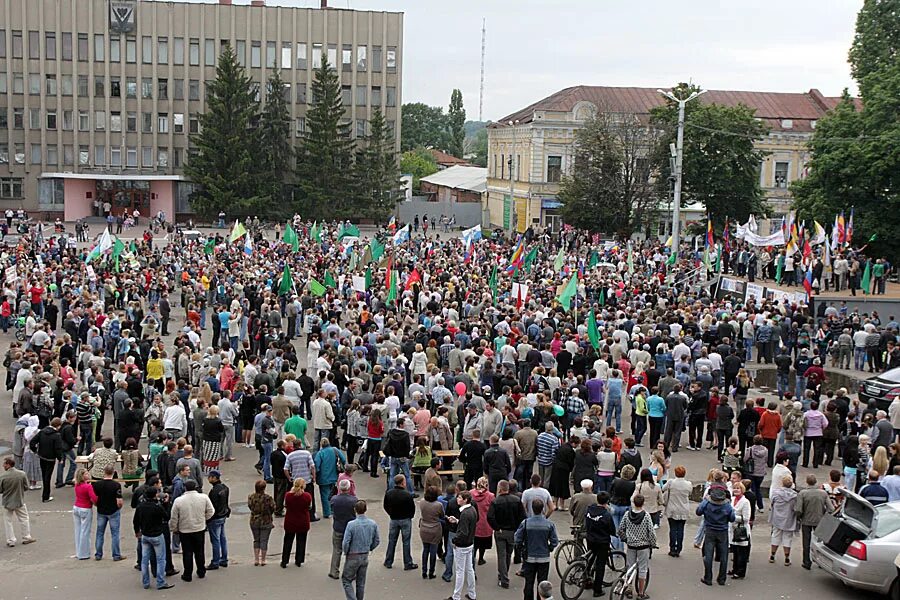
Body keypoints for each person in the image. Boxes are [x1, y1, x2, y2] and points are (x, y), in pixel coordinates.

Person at [170, 479, 215, 581]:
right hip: (199, 528)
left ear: (185, 488)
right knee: (200, 551)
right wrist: (204, 519)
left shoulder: (179, 501)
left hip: (185, 530)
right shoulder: (203, 497)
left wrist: (174, 528)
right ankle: (201, 571)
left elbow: (174, 517)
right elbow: (211, 511)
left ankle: (187, 574)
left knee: (187, 553)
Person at [515, 496, 559, 600]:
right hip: (544, 557)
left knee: (528, 583)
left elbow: (517, 538)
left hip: (529, 557)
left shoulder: (525, 523)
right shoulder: (549, 524)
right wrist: (549, 548)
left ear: (532, 509)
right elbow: (554, 541)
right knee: (542, 583)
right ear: (543, 509)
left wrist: (521, 548)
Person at [696, 474, 735, 586]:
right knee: (723, 556)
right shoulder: (727, 505)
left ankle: (708, 578)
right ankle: (721, 579)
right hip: (723, 531)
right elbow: (732, 518)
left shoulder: (707, 502)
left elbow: (698, 511)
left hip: (710, 530)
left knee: (708, 555)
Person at [133, 486, 175, 590]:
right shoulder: (157, 506)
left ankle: (145, 582)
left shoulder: (141, 506)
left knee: (144, 559)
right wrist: (166, 504)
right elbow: (166, 517)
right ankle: (160, 581)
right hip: (157, 535)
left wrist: (137, 531)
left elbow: (135, 520)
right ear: (155, 495)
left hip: (145, 535)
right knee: (161, 559)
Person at [487, 479, 526, 588]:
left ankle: (503, 578)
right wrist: (517, 528)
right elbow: (522, 516)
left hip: (500, 532)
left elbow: (490, 516)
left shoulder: (495, 501)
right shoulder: (517, 500)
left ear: (499, 489)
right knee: (508, 554)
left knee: (501, 555)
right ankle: (504, 574)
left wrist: (496, 527)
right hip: (512, 532)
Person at [616, 494, 655, 600]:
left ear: (633, 502)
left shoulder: (627, 515)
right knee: (642, 569)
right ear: (643, 503)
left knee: (629, 566)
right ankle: (641, 593)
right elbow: (651, 532)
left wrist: (626, 539)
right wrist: (653, 543)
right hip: (643, 546)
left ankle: (629, 588)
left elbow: (620, 529)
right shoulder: (646, 516)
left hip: (631, 545)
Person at [342, 499, 381, 600]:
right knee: (361, 582)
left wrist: (346, 552)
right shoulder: (372, 524)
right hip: (364, 555)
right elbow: (377, 540)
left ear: (355, 510)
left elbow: (346, 542)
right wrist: (369, 547)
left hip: (353, 555)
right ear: (366, 509)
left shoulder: (351, 524)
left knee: (346, 580)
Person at [794, 474, 832, 570]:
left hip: (806, 520)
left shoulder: (802, 493)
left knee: (806, 542)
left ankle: (806, 562)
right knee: (820, 542)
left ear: (807, 482)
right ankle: (821, 562)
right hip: (819, 520)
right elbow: (831, 508)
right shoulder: (823, 493)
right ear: (816, 482)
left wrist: (799, 517)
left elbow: (798, 509)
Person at [584, 491, 616, 598]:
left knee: (590, 559)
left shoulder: (590, 510)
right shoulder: (606, 515)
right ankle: (597, 590)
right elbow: (611, 529)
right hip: (602, 542)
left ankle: (587, 580)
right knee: (600, 565)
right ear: (607, 502)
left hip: (590, 539)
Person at [383, 474, 418, 570]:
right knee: (406, 542)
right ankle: (408, 563)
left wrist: (391, 513)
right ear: (403, 483)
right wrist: (410, 516)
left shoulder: (389, 493)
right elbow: (412, 508)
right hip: (405, 519)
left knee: (392, 540)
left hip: (394, 519)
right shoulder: (407, 495)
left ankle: (388, 561)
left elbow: (385, 505)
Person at [448, 490, 478, 600]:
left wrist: (454, 541)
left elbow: (463, 532)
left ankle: (456, 596)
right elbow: (467, 526)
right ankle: (472, 594)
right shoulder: (472, 509)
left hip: (462, 545)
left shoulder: (465, 513)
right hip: (470, 544)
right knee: (469, 569)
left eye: (460, 498)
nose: (457, 499)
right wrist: (457, 521)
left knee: (460, 571)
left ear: (465, 500)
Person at [0, 456, 36, 547]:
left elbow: (0, 490)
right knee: (24, 518)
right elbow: (26, 487)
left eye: (4, 464)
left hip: (7, 501)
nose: (3, 465)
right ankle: (26, 537)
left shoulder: (3, 476)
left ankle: (11, 540)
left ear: (8, 465)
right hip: (19, 500)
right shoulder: (22, 474)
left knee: (8, 521)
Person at [93, 463, 125, 561]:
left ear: (104, 472)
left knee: (99, 533)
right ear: (113, 472)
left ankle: (98, 554)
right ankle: (116, 554)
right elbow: (119, 501)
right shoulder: (116, 485)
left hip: (101, 510)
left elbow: (95, 498)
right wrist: (119, 507)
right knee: (115, 533)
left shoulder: (97, 484)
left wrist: (97, 505)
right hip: (113, 510)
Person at [331, 478, 359, 579]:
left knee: (337, 550)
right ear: (348, 488)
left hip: (338, 527)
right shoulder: (354, 500)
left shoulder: (334, 499)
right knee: (351, 551)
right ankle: (350, 573)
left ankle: (334, 571)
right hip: (350, 528)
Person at [281, 477, 313, 567]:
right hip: (303, 521)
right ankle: (299, 560)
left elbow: (286, 505)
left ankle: (284, 561)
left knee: (287, 541)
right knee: (301, 541)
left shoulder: (288, 495)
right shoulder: (307, 496)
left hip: (290, 521)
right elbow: (309, 507)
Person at [662, 465, 692, 557]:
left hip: (672, 509)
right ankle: (679, 549)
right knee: (681, 529)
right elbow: (690, 493)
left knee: (673, 529)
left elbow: (663, 489)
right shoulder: (688, 484)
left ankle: (672, 549)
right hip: (683, 509)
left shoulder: (671, 482)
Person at [768, 474, 798, 566]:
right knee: (787, 538)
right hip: (789, 518)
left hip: (777, 518)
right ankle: (787, 558)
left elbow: (772, 503)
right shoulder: (795, 496)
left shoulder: (776, 493)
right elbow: (796, 508)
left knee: (775, 535)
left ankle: (772, 555)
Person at [418, 485, 445, 579]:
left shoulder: (422, 502)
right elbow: (442, 515)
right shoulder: (438, 505)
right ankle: (431, 572)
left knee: (425, 550)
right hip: (435, 529)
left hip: (424, 528)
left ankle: (424, 571)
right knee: (433, 550)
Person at [247, 479, 276, 566]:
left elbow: (250, 506)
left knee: (256, 540)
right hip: (266, 520)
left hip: (254, 520)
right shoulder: (268, 498)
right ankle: (263, 560)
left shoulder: (251, 497)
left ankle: (256, 559)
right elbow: (273, 508)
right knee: (264, 540)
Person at [205, 470, 230, 570]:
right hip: (223, 515)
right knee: (222, 538)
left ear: (214, 478)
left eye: (210, 477)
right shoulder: (225, 488)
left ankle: (215, 561)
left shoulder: (214, 491)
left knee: (215, 540)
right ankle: (223, 559)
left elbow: (212, 507)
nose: (208, 479)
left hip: (215, 518)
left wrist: (208, 518)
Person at [729, 482, 752, 579]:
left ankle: (740, 572)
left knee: (742, 552)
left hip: (741, 529)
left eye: (738, 488)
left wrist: (733, 517)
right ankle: (734, 569)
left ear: (742, 490)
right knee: (735, 551)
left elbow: (746, 518)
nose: (736, 490)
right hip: (732, 529)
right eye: (734, 488)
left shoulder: (745, 502)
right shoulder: (732, 499)